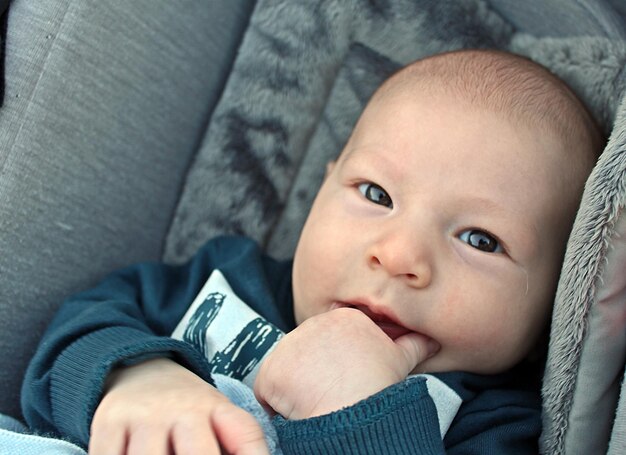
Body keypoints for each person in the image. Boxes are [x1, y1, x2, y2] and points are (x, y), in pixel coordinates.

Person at [21, 49, 603, 454]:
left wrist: (359, 413)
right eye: (376, 194)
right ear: (324, 188)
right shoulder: (229, 280)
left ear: (554, 303)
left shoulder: (494, 425)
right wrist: (134, 378)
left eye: (480, 239)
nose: (399, 254)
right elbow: (78, 330)